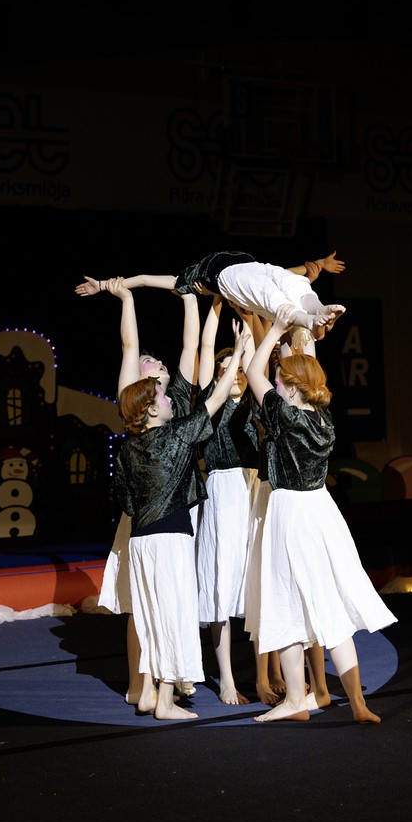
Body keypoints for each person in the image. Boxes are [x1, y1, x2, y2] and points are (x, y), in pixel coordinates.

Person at [244, 304, 398, 724]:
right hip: (322, 512)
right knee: (329, 607)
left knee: (285, 602)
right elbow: (302, 366)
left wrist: (275, 330)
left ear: (292, 389)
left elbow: (254, 371)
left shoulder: (284, 415)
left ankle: (296, 700)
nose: (275, 384)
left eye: (281, 381)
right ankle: (358, 703)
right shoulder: (325, 420)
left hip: (291, 511)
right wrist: (306, 331)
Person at [114, 319, 249, 721]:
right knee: (174, 614)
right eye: (162, 396)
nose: (170, 398)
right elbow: (217, 397)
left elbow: (124, 499)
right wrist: (238, 354)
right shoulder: (176, 437)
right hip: (171, 539)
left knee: (150, 616)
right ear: (152, 409)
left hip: (140, 542)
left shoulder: (126, 449)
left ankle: (146, 692)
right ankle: (166, 700)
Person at [91, 277, 201, 712]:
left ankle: (165, 680)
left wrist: (191, 298)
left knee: (167, 600)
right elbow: (129, 345)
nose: (154, 362)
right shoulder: (136, 404)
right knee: (143, 602)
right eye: (147, 362)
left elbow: (191, 346)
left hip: (175, 509)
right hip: (143, 517)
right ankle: (144, 686)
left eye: (157, 360)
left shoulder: (176, 400)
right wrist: (125, 297)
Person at [194, 296, 259, 705]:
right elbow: (205, 350)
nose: (233, 374)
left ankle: (268, 675)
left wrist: (246, 314)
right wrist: (217, 305)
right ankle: (228, 679)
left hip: (253, 491)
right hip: (222, 494)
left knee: (257, 584)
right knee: (220, 584)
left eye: (237, 369)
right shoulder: (212, 407)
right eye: (225, 370)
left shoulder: (255, 405)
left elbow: (255, 357)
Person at [75, 250, 346, 335]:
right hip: (226, 278)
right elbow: (145, 280)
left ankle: (317, 309)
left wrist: (318, 264)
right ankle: (309, 320)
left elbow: (287, 273)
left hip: (255, 266)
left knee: (293, 283)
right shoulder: (188, 283)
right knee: (272, 297)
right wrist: (103, 285)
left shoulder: (186, 279)